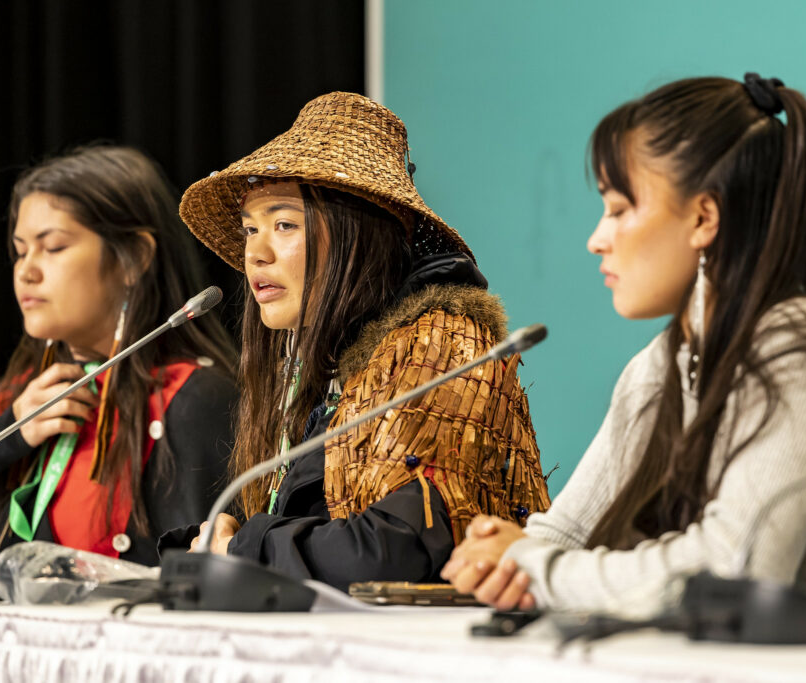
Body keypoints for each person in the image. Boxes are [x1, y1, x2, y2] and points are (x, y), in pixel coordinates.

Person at [442, 74, 806, 614]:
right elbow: (565, 535)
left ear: (704, 217)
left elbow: (736, 568)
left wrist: (535, 568)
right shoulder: (663, 363)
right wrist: (500, 558)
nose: (597, 239)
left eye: (618, 209)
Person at [171, 91, 551, 590]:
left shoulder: (438, 343)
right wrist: (209, 543)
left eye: (284, 224)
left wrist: (242, 547)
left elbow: (396, 548)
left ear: (357, 234)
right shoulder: (326, 369)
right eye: (249, 230)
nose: (255, 255)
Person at [0, 145, 238, 566]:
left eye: (52, 247)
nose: (26, 270)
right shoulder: (24, 400)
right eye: (20, 251)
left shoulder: (193, 397)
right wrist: (9, 436)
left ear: (134, 258)